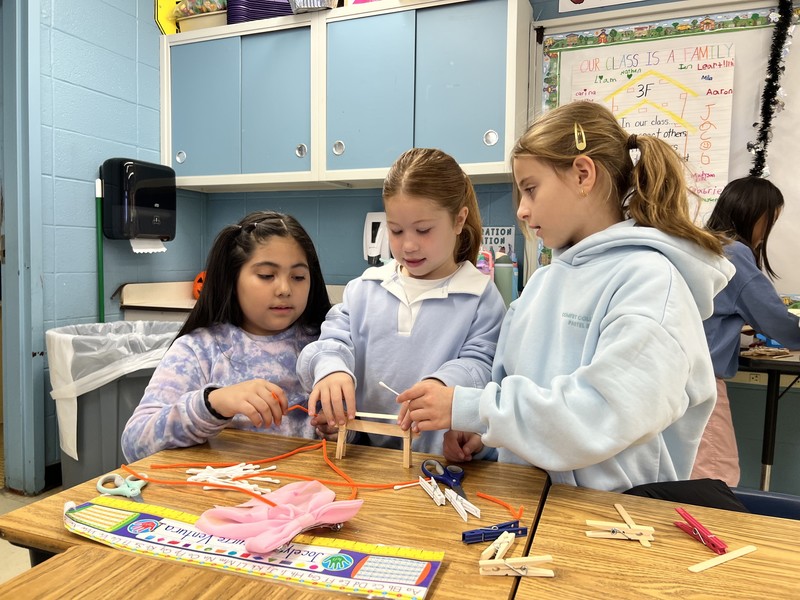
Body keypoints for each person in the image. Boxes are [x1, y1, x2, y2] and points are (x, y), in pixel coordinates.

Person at [396, 101, 735, 493]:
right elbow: (517, 393)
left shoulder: (652, 283)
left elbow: (600, 413)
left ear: (582, 174)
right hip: (535, 504)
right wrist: (488, 435)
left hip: (616, 519)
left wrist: (471, 407)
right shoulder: (544, 282)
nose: (521, 211)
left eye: (530, 189)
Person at [296, 148, 506, 454]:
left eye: (423, 230)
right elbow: (330, 343)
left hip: (442, 463)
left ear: (459, 220)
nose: (408, 245)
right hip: (367, 459)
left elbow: (482, 365)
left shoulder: (479, 297)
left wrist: (443, 385)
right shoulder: (366, 289)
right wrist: (330, 371)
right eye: (396, 230)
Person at [122, 211, 331, 461]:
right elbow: (135, 444)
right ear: (232, 279)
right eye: (266, 275)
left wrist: (342, 431)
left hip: (311, 493)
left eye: (298, 277)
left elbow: (362, 440)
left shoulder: (327, 345)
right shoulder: (199, 350)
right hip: (222, 492)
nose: (285, 289)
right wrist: (214, 403)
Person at [692, 176, 800, 486]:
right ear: (755, 216)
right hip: (702, 385)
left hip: (677, 380)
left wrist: (737, 335)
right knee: (716, 477)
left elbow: (709, 317)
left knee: (690, 471)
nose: (767, 234)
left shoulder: (703, 243)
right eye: (771, 222)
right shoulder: (735, 254)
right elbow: (781, 325)